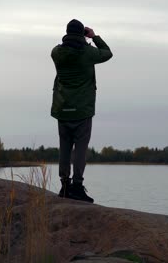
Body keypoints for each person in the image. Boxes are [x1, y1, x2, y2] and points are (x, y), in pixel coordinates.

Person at [51, 19, 113, 203]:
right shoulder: (87, 52)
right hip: (82, 110)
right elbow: (108, 53)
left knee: (64, 147)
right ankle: (77, 187)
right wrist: (94, 37)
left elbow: (63, 47)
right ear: (81, 34)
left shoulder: (56, 52)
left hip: (62, 108)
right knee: (80, 150)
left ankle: (64, 185)